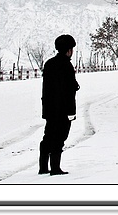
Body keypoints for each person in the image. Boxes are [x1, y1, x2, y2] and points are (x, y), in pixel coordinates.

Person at [38, 34, 80, 176]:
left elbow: (47, 88)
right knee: (59, 137)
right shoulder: (66, 66)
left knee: (48, 136)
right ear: (68, 50)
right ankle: (55, 168)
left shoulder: (49, 64)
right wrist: (71, 112)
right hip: (62, 109)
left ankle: (43, 167)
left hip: (50, 108)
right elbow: (69, 91)